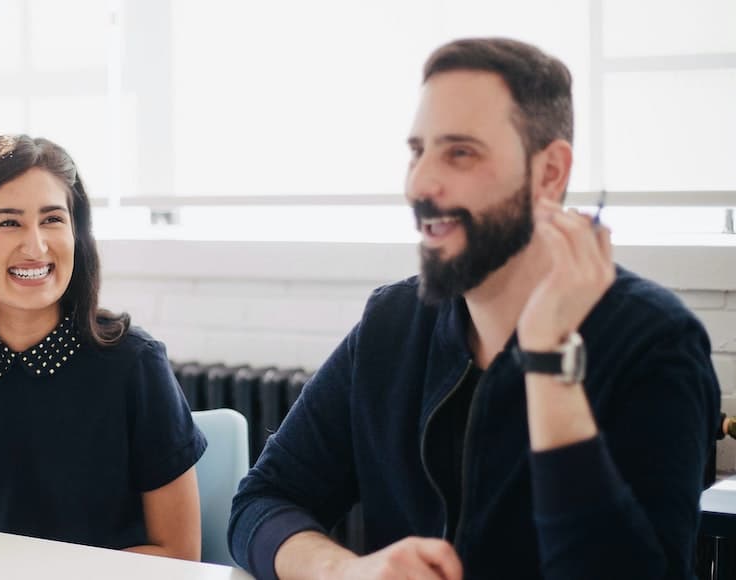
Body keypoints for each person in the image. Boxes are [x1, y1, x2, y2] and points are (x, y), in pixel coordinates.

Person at [228, 37, 720, 579]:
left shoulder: (655, 343)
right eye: (418, 152)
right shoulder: (392, 323)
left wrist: (549, 361)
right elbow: (262, 502)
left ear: (550, 173)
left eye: (460, 152)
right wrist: (342, 571)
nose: (420, 183)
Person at [0, 134, 206, 560]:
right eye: (9, 222)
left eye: (52, 220)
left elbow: (179, 554)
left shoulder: (133, 364)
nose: (36, 246)